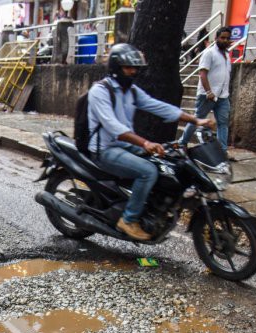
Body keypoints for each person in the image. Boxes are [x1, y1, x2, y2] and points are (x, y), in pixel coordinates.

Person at [87, 43, 214, 241]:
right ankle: (128, 220)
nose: (133, 71)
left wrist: (195, 120)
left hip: (124, 145)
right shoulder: (100, 91)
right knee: (148, 171)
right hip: (104, 149)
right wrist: (145, 143)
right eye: (128, 67)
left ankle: (151, 208)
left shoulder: (131, 91)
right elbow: (113, 127)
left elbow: (158, 107)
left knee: (167, 161)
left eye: (135, 68)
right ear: (115, 67)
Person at [179, 27, 232, 153]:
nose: (225, 40)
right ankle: (182, 143)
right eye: (222, 37)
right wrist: (209, 91)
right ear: (216, 38)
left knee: (223, 123)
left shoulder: (226, 55)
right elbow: (202, 74)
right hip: (207, 95)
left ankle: (222, 151)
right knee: (196, 119)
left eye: (228, 38)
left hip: (223, 96)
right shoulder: (209, 53)